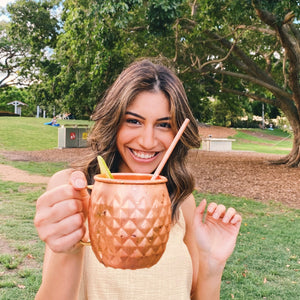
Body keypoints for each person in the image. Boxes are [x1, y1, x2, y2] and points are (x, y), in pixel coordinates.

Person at [34, 59, 242, 300]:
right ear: (114, 122)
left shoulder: (181, 201)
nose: (147, 141)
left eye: (164, 125)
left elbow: (195, 294)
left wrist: (212, 265)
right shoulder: (74, 190)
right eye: (134, 121)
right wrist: (67, 249)